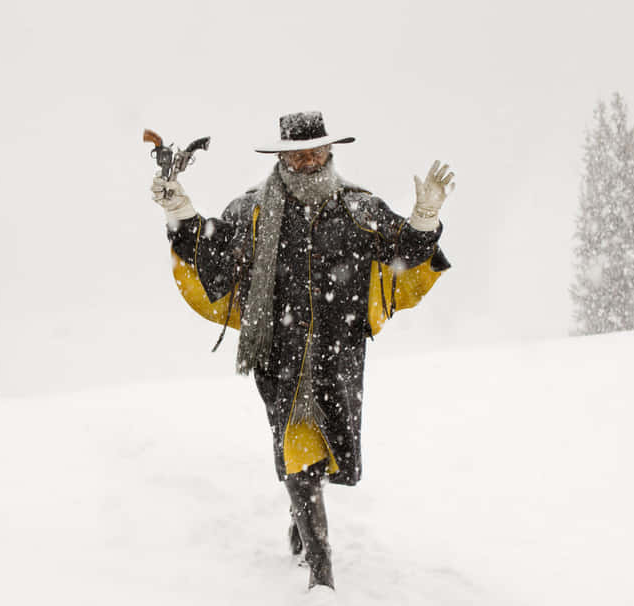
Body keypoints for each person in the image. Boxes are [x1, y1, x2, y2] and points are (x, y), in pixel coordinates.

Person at [151, 111, 453, 592]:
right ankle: (321, 572)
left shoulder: (358, 208)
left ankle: (302, 512)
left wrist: (425, 217)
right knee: (298, 453)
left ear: (329, 152)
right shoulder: (251, 211)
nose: (308, 160)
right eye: (297, 154)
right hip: (279, 356)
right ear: (282, 157)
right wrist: (180, 212)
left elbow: (405, 252)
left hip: (340, 354)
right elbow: (212, 256)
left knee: (327, 451)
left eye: (315, 151)